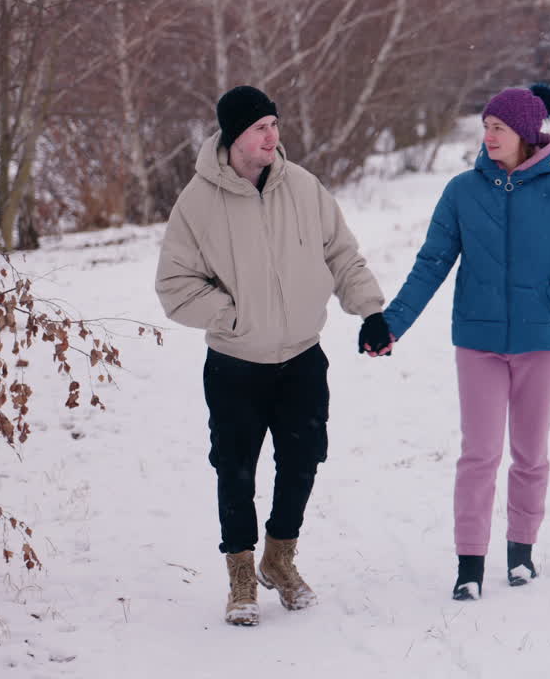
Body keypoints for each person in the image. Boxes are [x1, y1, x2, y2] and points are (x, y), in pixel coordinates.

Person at [154, 85, 392, 626]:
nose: (272, 135)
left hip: (303, 358)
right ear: (234, 135)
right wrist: (233, 317)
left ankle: (279, 561)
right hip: (236, 364)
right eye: (261, 126)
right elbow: (174, 286)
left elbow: (342, 255)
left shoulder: (304, 187)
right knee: (235, 471)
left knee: (303, 463)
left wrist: (370, 310)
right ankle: (241, 575)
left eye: (274, 125)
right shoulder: (197, 202)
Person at [383, 83, 550, 600]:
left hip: (542, 343)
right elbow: (432, 262)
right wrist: (392, 323)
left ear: (526, 134)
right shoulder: (463, 190)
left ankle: (521, 552)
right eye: (485, 126)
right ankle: (469, 564)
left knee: (530, 455)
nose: (488, 136)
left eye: (497, 128)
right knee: (479, 455)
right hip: (478, 342)